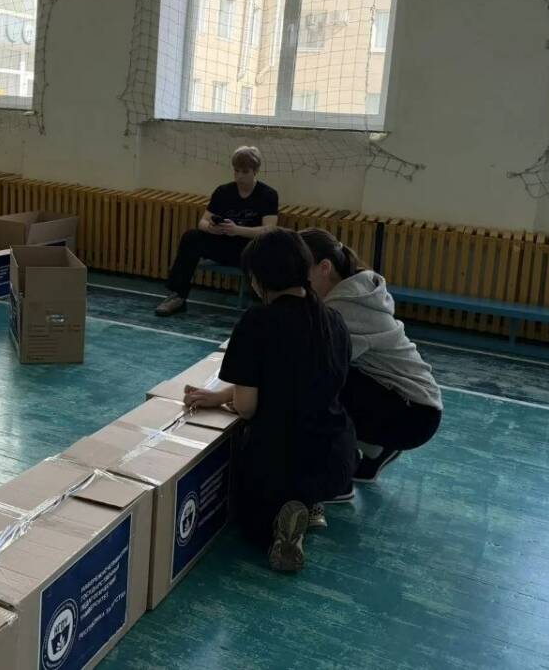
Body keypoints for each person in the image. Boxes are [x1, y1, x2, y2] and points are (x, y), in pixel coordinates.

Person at [183, 229, 357, 574]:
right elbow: (300, 381)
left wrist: (227, 401)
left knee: (248, 517)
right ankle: (309, 503)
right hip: (336, 457)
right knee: (301, 459)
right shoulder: (333, 320)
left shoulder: (257, 321)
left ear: (259, 278)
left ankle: (280, 525)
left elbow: (247, 406)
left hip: (282, 459)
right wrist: (221, 396)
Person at [300, 228, 443, 483]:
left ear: (324, 268)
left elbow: (314, 364)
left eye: (301, 272)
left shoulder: (344, 307)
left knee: (313, 385)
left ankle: (337, 478)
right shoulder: (351, 289)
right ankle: (375, 449)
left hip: (414, 414)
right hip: (415, 405)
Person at [155, 146, 278, 317]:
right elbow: (203, 222)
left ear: (255, 171)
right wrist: (212, 228)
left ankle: (261, 304)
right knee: (191, 237)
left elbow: (269, 230)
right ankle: (178, 296)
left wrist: (237, 230)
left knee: (269, 249)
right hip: (223, 243)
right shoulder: (223, 191)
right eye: (236, 171)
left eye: (245, 172)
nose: (239, 176)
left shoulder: (268, 194)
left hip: (248, 249)